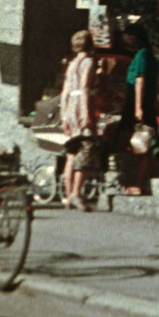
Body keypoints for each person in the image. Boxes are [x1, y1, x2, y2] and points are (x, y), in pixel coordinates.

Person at [60, 30, 99, 209]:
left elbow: (65, 91)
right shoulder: (89, 62)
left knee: (72, 151)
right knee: (86, 148)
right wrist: (86, 114)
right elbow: (84, 88)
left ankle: (68, 196)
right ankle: (76, 193)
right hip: (80, 107)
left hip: (69, 108)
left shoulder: (72, 62)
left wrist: (63, 116)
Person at [121, 20, 159, 195]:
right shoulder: (146, 54)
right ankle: (141, 181)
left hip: (139, 106)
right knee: (142, 144)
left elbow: (140, 81)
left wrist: (138, 108)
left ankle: (139, 183)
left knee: (141, 144)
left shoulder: (142, 56)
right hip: (143, 105)